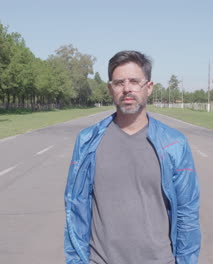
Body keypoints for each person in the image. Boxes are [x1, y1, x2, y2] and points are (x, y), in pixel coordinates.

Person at [64, 50, 201, 264]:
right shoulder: (87, 142)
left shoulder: (174, 144)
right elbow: (75, 209)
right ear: (110, 89)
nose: (127, 88)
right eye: (119, 82)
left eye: (134, 81)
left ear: (149, 87)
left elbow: (187, 214)